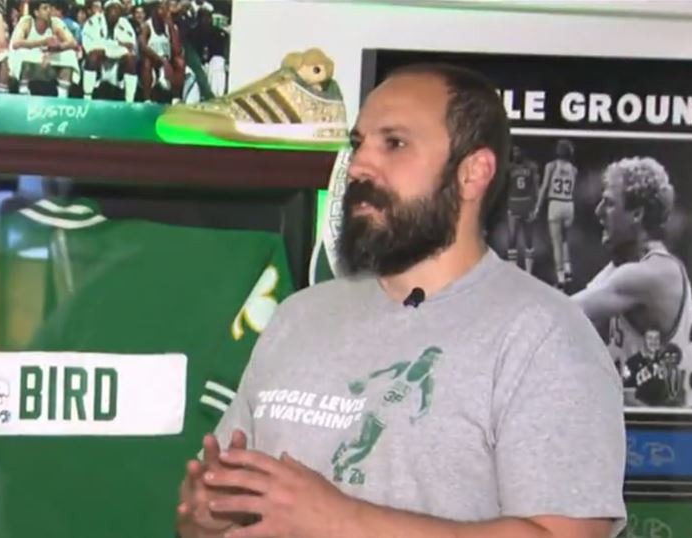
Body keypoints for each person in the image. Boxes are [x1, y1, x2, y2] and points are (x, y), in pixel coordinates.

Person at [176, 63, 626, 538]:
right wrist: (209, 517)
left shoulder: (543, 335)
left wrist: (342, 521)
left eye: (394, 144)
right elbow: (232, 509)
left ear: (473, 173)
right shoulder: (299, 316)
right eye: (357, 144)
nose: (360, 166)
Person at [573, 156, 692, 409]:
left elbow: (561, 314)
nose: (598, 211)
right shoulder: (621, 270)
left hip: (678, 434)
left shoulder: (651, 275)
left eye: (609, 204)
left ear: (637, 214)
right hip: (652, 430)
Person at [8, 0, 80, 97]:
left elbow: (73, 42)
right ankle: (23, 93)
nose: (49, 11)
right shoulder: (27, 21)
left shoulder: (55, 22)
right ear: (36, 12)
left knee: (69, 55)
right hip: (31, 60)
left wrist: (57, 47)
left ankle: (62, 97)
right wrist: (43, 42)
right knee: (22, 53)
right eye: (45, 8)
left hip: (49, 58)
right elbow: (16, 43)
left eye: (50, 8)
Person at [535, 138, 578, 289]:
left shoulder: (551, 166)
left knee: (556, 243)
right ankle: (568, 269)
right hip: (569, 203)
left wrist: (537, 208)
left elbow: (544, 187)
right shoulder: (573, 169)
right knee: (565, 240)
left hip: (555, 203)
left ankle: (560, 277)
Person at [81, 0, 139, 102]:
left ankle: (129, 101)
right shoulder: (93, 21)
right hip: (99, 63)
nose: (114, 13)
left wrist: (109, 47)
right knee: (94, 55)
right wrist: (117, 45)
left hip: (117, 64)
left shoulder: (124, 23)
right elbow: (90, 46)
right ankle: (87, 98)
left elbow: (131, 46)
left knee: (130, 59)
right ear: (105, 11)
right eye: (111, 9)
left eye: (117, 10)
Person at [505, 143, 540, 272]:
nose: (516, 154)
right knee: (512, 238)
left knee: (528, 238)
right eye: (514, 152)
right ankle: (513, 269)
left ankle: (529, 271)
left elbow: (535, 188)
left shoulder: (531, 167)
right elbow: (506, 188)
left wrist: (535, 205)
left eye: (518, 151)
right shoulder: (509, 168)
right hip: (514, 203)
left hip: (525, 203)